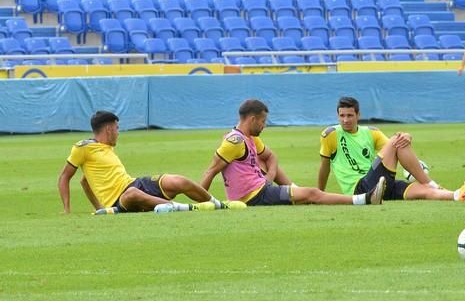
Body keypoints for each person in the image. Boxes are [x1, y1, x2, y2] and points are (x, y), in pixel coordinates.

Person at [200, 99, 385, 206]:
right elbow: (210, 171)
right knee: (313, 193)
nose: (264, 126)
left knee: (266, 162)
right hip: (255, 197)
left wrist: (269, 177)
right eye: (263, 122)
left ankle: (295, 190)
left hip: (262, 188)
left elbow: (271, 157)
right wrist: (205, 203)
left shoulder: (250, 138)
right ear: (253, 119)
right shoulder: (234, 141)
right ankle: (364, 199)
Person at [317, 96, 465, 202]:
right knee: (398, 139)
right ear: (338, 115)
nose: (345, 120)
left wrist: (407, 136)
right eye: (342, 115)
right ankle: (431, 183)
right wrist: (320, 194)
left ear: (358, 115)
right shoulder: (330, 134)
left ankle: (457, 195)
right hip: (360, 188)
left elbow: (396, 147)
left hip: (381, 185)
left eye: (350, 115)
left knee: (422, 191)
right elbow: (324, 167)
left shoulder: (371, 132)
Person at [58, 111, 222, 214]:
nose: (118, 133)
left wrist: (98, 207)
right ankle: (184, 208)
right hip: (121, 199)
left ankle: (218, 204)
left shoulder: (106, 148)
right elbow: (64, 177)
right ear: (108, 129)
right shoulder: (82, 148)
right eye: (117, 128)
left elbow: (85, 181)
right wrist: (67, 209)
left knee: (179, 181)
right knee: (132, 194)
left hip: (135, 183)